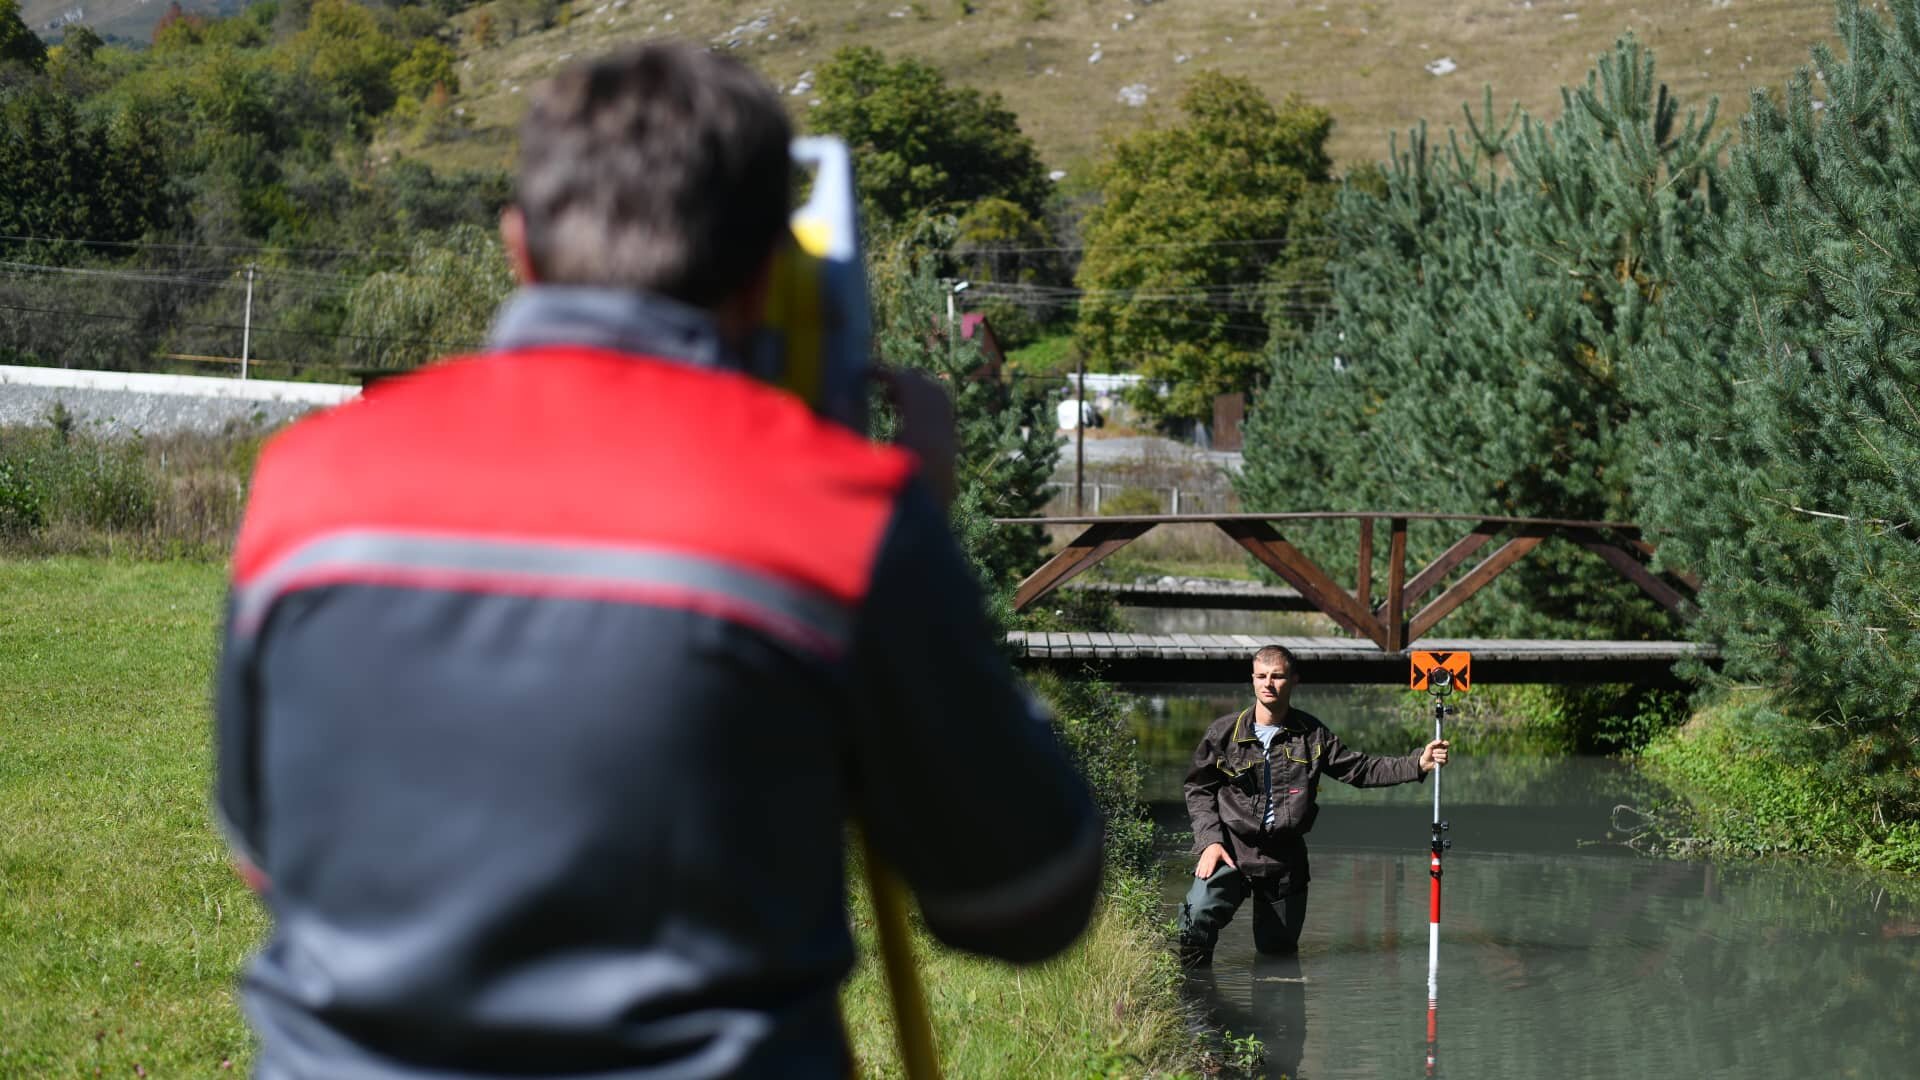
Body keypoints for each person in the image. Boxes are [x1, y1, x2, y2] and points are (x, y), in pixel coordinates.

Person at [212, 44, 1102, 1079]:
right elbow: (1026, 900)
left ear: (518, 246)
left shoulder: (305, 485)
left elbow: (263, 850)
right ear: (771, 272)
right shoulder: (843, 520)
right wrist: (921, 548)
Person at [1177, 644, 1448, 966]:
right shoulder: (1223, 734)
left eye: (1277, 676)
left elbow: (1359, 770)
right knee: (1194, 923)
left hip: (1285, 860)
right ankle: (1194, 1006)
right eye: (1261, 676)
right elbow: (1199, 788)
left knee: (1276, 957)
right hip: (1231, 850)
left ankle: (1274, 1011)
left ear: (1294, 681)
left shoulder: (1313, 734)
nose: (1269, 683)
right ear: (1252, 680)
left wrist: (1417, 763)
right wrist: (1209, 842)